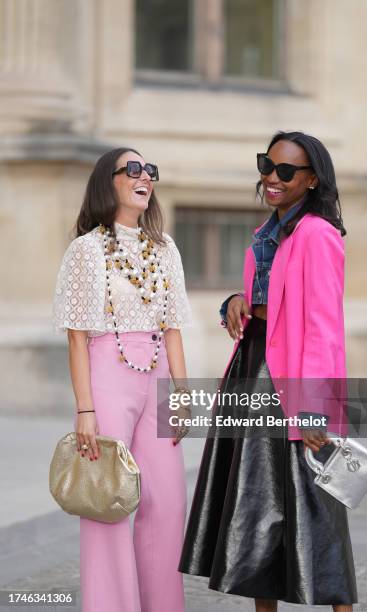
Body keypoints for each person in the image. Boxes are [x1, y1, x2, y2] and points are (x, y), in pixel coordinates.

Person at [179, 131, 358, 612]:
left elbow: (324, 328)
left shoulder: (317, 235)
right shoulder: (269, 231)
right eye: (267, 165)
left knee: (315, 499)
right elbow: (265, 299)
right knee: (254, 500)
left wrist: (316, 407)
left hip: (292, 377)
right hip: (253, 365)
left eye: (285, 171)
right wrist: (234, 303)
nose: (271, 177)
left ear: (311, 179)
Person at [53, 147, 192, 612]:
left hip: (156, 376)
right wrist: (85, 411)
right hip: (107, 373)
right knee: (107, 500)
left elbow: (172, 326)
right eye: (132, 169)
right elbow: (77, 339)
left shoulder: (164, 248)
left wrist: (182, 393)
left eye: (149, 170)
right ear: (106, 182)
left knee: (169, 504)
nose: (144, 176)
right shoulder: (87, 249)